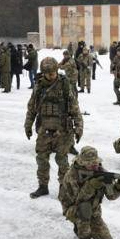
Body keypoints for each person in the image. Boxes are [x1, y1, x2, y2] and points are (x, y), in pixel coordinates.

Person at [24, 57, 83, 199]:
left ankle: (65, 189)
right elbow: (32, 107)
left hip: (62, 130)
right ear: (43, 73)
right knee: (42, 159)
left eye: (53, 72)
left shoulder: (64, 85)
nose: (52, 75)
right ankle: (43, 186)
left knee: (62, 161)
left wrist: (79, 126)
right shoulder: (39, 86)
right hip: (44, 129)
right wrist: (28, 124)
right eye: (48, 73)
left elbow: (75, 108)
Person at [58, 146, 120, 239]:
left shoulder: (100, 171)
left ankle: (81, 228)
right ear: (82, 163)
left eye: (95, 163)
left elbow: (111, 196)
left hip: (94, 211)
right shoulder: (72, 175)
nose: (94, 166)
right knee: (84, 209)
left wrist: (119, 187)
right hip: (74, 209)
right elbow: (78, 200)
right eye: (90, 164)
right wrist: (91, 185)